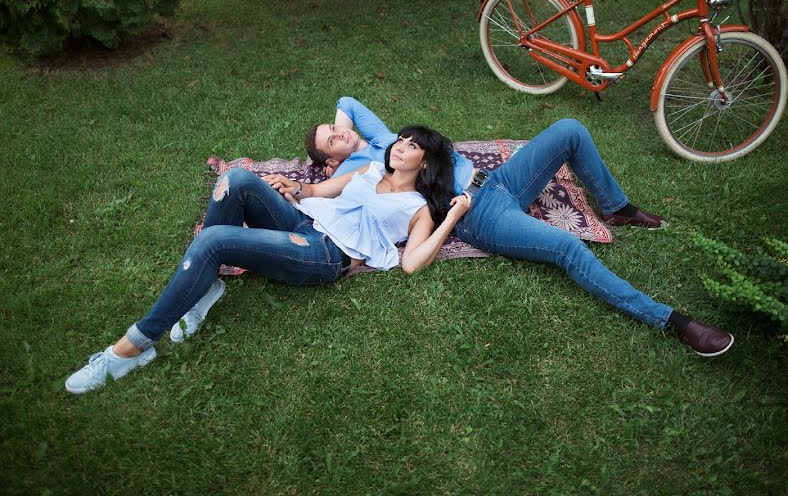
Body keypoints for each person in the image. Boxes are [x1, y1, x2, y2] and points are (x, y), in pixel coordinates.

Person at [295, 97, 734, 357]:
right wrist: (309, 180)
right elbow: (324, 190)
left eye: (338, 130)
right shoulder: (366, 167)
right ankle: (671, 320)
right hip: (480, 216)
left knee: (569, 129)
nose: (342, 134)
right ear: (332, 159)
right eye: (332, 140)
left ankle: (615, 206)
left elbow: (349, 104)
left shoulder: (386, 140)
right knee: (568, 249)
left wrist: (345, 129)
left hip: (500, 180)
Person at [65, 126, 471, 394]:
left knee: (214, 241)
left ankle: (132, 348)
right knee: (237, 180)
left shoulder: (418, 207)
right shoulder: (365, 171)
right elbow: (315, 192)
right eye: (401, 140)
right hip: (303, 221)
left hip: (325, 254)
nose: (400, 146)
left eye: (412, 146)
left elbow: (412, 263)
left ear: (427, 161)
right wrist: (292, 187)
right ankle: (205, 288)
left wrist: (452, 215)